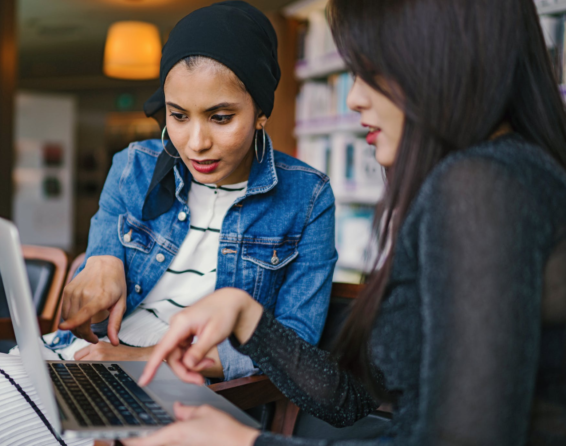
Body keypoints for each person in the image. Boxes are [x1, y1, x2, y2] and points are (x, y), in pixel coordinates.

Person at [0, 3, 338, 445]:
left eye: (220, 117)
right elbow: (92, 285)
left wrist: (142, 360)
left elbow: (292, 352)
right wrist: (100, 262)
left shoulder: (307, 197)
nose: (196, 142)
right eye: (177, 116)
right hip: (83, 362)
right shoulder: (134, 165)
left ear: (261, 112)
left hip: (187, 392)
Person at [127, 0, 566, 445]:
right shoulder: (503, 176)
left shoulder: (481, 185)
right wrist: (248, 320)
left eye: (370, 71)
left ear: (443, 57)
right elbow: (351, 402)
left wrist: (243, 442)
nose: (354, 98)